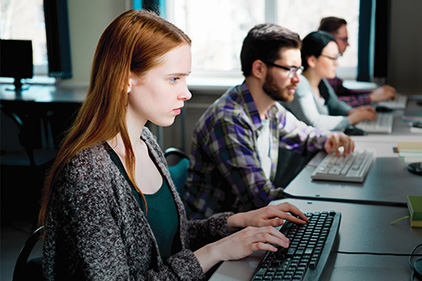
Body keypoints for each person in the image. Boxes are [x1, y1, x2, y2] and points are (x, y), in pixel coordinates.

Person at [37, 10, 312, 280]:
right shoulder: (88, 174)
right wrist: (215, 251)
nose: (187, 92)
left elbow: (166, 241)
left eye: (186, 77)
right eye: (174, 79)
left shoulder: (146, 140)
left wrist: (238, 222)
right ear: (125, 79)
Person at [184, 23, 354, 220]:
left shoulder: (270, 108)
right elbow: (260, 198)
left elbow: (304, 135)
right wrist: (324, 200)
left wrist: (330, 138)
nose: (297, 79)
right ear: (259, 69)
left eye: (298, 69)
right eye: (290, 69)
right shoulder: (228, 120)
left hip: (252, 225)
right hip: (218, 237)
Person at [281, 31, 377, 131]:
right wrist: (351, 119)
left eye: (337, 57)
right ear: (312, 60)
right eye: (332, 58)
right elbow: (314, 122)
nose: (337, 64)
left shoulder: (321, 82)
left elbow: (335, 105)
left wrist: (352, 111)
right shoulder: (300, 85)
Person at [318, 16, 396, 106]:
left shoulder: (329, 69)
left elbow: (341, 91)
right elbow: (331, 103)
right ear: (329, 38)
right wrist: (370, 97)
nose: (348, 44)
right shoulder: (320, 68)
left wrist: (372, 93)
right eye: (344, 39)